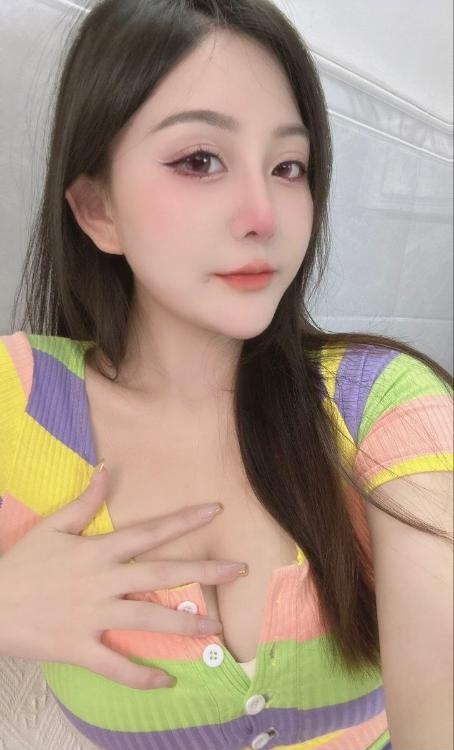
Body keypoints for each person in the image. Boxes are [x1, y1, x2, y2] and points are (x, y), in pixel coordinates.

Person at [0, 1, 452, 749]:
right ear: (97, 208)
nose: (263, 215)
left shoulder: (381, 402)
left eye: (288, 167)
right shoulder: (17, 403)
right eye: (200, 160)